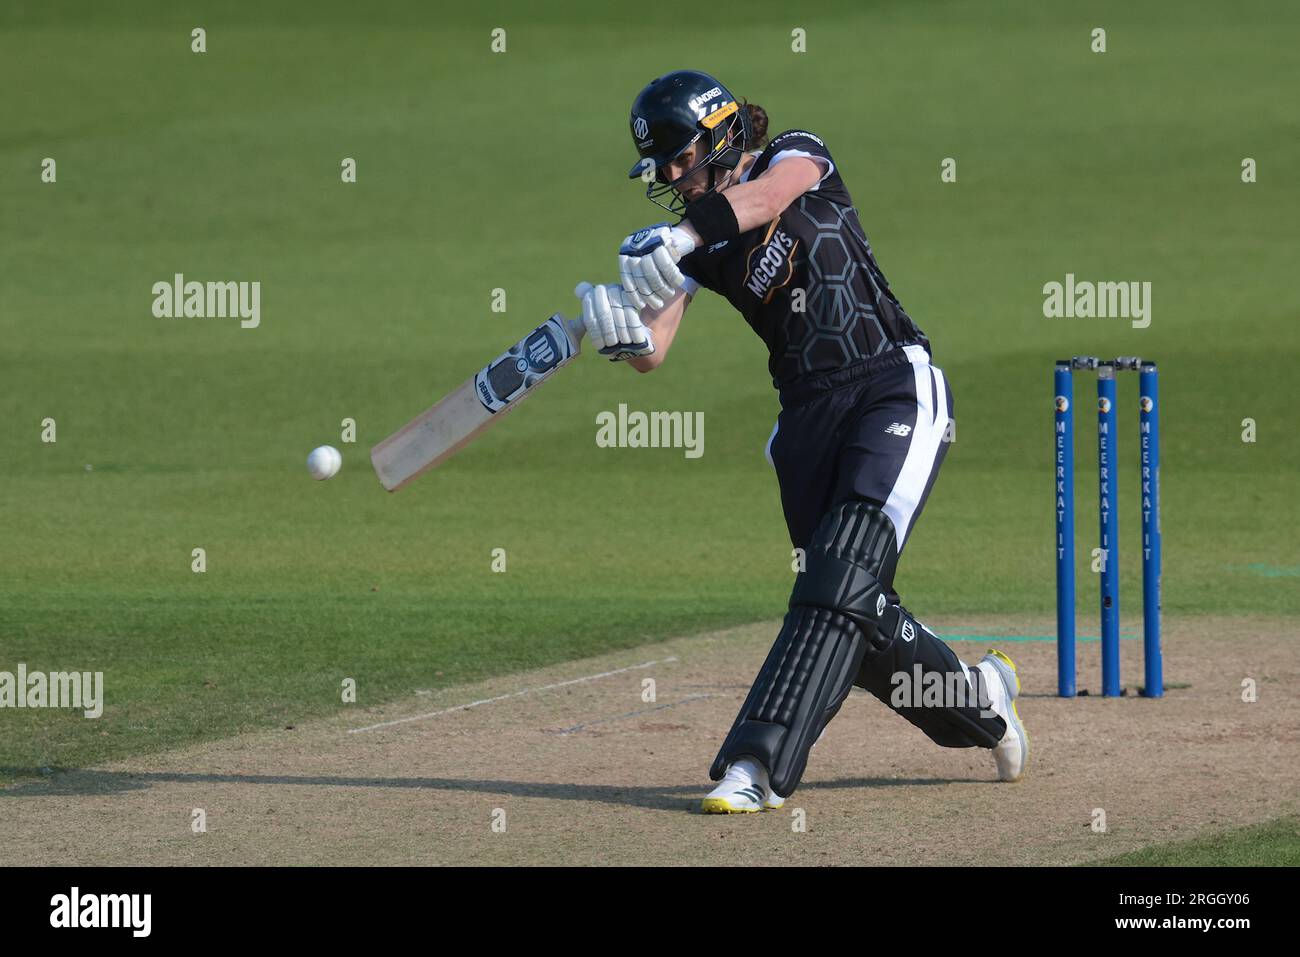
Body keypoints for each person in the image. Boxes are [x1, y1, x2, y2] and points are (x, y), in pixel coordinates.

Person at [575, 70, 1028, 813]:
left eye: (679, 157)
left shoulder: (794, 152)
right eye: (657, 166)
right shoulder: (693, 241)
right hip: (805, 424)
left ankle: (757, 762)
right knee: (860, 615)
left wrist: (682, 234)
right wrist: (619, 327)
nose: (668, 176)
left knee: (838, 578)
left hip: (891, 385)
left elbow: (766, 199)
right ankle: (984, 700)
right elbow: (653, 349)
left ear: (722, 135)